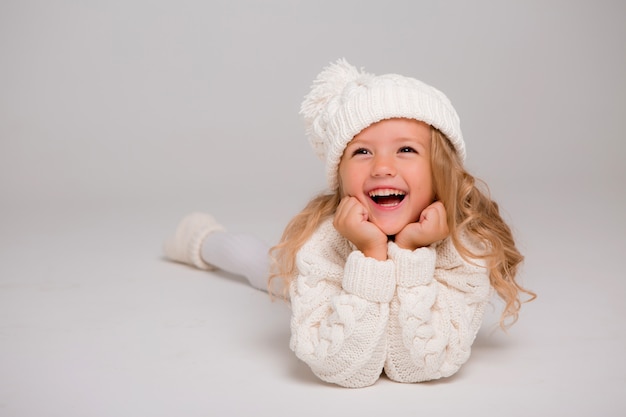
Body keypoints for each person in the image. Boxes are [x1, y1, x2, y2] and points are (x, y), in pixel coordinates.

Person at [163, 59, 535, 388]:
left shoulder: (465, 249)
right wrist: (372, 255)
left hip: (414, 262)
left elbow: (421, 366)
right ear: (340, 176)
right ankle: (205, 240)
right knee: (262, 266)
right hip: (329, 278)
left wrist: (411, 251)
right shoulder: (324, 242)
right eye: (362, 152)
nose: (382, 167)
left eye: (406, 149)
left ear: (443, 171)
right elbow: (338, 365)